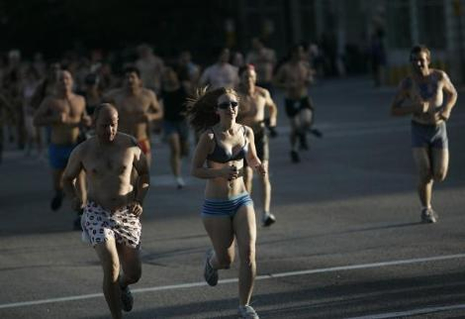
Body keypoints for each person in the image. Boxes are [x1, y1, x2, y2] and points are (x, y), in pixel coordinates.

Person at [62, 104, 150, 319]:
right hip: (97, 212)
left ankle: (122, 285)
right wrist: (74, 197)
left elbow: (145, 174)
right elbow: (66, 178)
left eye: (113, 125)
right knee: (111, 266)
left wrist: (139, 199)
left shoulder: (129, 144)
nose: (109, 130)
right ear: (94, 123)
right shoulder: (83, 150)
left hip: (126, 212)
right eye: (104, 125)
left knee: (133, 273)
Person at [187, 86, 265, 319]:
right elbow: (195, 170)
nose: (230, 108)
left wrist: (258, 165)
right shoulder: (209, 137)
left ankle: (244, 306)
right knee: (225, 260)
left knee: (249, 253)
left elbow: (251, 157)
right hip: (215, 205)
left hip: (241, 200)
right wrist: (219, 174)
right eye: (224, 105)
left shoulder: (246, 132)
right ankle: (212, 261)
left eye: (234, 104)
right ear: (216, 110)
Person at [390, 45, 458, 223]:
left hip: (438, 129)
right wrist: (414, 108)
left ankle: (427, 195)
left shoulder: (439, 76)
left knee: (440, 174)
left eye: (421, 59)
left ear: (428, 60)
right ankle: (426, 209)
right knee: (424, 171)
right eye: (414, 60)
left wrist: (447, 109)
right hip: (419, 130)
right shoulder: (407, 83)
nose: (418, 63)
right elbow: (394, 109)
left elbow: (453, 94)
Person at [33, 70, 90, 217]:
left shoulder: (80, 99)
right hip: (57, 147)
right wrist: (54, 118)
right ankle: (60, 193)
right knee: (58, 183)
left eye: (67, 79)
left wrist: (87, 121)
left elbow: (86, 119)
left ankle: (81, 215)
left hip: (75, 147)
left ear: (72, 81)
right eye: (61, 79)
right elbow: (36, 120)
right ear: (56, 83)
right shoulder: (50, 101)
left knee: (80, 181)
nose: (64, 82)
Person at [237, 65, 278, 227]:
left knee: (263, 173)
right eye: (246, 76)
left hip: (260, 136)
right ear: (240, 78)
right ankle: (247, 211)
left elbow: (272, 107)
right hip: (243, 139)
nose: (249, 79)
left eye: (252, 76)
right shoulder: (236, 96)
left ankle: (266, 213)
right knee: (246, 176)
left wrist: (272, 120)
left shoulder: (262, 93)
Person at [104, 66, 163, 166]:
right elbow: (98, 108)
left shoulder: (148, 95)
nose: (129, 80)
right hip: (122, 141)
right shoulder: (114, 96)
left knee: (144, 176)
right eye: (126, 78)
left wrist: (151, 116)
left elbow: (160, 113)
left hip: (142, 140)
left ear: (139, 80)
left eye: (132, 77)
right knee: (125, 177)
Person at [274, 44, 316, 163]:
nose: (300, 55)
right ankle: (294, 149)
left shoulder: (305, 66)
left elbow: (311, 78)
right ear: (292, 54)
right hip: (290, 100)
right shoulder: (285, 68)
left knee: (306, 121)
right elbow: (276, 81)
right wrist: (285, 86)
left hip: (303, 98)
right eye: (298, 52)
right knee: (295, 127)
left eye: (302, 52)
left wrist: (310, 80)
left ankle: (302, 135)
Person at [160, 66, 190, 188]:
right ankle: (177, 177)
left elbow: (192, 101)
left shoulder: (184, 86)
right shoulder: (163, 89)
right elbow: (159, 106)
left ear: (176, 75)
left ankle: (178, 160)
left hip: (183, 121)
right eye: (166, 75)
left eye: (170, 74)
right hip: (169, 121)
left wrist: (190, 113)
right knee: (175, 148)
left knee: (184, 150)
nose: (168, 77)